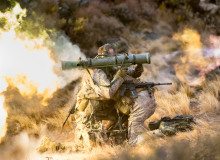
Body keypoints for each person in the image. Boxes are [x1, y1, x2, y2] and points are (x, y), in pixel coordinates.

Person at [73, 40, 156, 149]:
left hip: (103, 107)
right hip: (88, 111)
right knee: (89, 142)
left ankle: (145, 137)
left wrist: (137, 68)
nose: (113, 58)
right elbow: (108, 93)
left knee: (118, 130)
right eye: (110, 56)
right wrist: (120, 75)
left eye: (114, 56)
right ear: (102, 57)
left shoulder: (111, 67)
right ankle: (155, 134)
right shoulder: (96, 72)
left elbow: (131, 73)